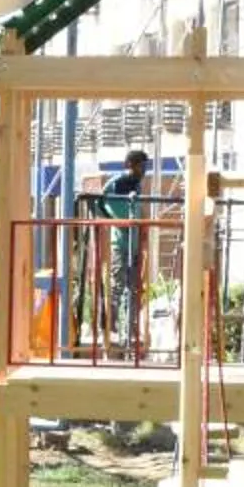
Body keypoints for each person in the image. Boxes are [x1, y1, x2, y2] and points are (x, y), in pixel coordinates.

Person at [101, 149, 154, 352]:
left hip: (133, 243)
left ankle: (128, 333)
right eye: (141, 166)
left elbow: (137, 209)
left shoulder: (136, 186)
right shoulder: (118, 183)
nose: (144, 170)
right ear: (130, 165)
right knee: (118, 286)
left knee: (132, 289)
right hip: (121, 244)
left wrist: (141, 231)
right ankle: (112, 330)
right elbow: (101, 201)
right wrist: (114, 220)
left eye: (145, 166)